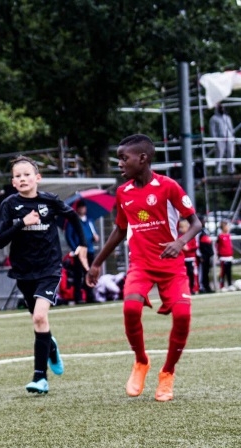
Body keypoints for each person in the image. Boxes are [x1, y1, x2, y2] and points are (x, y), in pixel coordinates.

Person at [86, 134, 202, 402]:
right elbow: (119, 230)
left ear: (143, 158)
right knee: (130, 308)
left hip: (171, 265)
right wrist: (97, 263)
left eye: (123, 158)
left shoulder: (169, 186)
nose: (119, 163)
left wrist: (180, 242)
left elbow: (196, 223)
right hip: (141, 264)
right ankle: (141, 361)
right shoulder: (123, 192)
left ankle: (167, 373)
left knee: (183, 315)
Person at [0, 155, 89, 395]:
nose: (22, 179)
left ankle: (40, 378)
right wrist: (21, 223)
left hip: (49, 268)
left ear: (37, 178)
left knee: (39, 317)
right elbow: (0, 240)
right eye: (17, 176)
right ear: (13, 182)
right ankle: (51, 347)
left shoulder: (49, 201)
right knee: (39, 322)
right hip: (23, 271)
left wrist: (82, 245)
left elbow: (73, 217)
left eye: (27, 174)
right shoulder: (9, 205)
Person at [65, 199, 99, 303]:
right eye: (80, 207)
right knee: (78, 274)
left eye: (84, 207)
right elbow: (69, 236)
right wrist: (75, 249)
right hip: (79, 252)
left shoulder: (89, 220)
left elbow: (93, 233)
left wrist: (95, 237)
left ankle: (90, 296)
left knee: (89, 273)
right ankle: (78, 297)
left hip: (90, 250)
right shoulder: (73, 221)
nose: (82, 209)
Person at [209, 103, 236, 175]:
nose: (222, 109)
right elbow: (212, 130)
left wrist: (233, 136)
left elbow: (230, 128)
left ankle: (231, 170)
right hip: (220, 138)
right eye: (220, 108)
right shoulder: (213, 118)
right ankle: (218, 170)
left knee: (230, 154)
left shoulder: (227, 118)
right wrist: (215, 139)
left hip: (229, 137)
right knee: (219, 155)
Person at [178, 219, 199, 295]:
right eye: (180, 227)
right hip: (183, 259)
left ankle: (193, 288)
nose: (181, 229)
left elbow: (195, 246)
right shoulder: (179, 237)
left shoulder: (191, 237)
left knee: (192, 273)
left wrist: (188, 248)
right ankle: (185, 289)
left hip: (190, 258)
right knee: (184, 274)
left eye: (183, 227)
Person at [197, 216, 214, 294]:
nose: (204, 222)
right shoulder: (198, 232)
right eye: (202, 221)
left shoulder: (205, 231)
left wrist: (211, 252)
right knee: (202, 272)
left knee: (207, 271)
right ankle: (201, 287)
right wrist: (200, 255)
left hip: (208, 255)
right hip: (203, 256)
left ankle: (207, 286)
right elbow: (197, 244)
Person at [216, 220, 234, 291]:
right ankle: (222, 286)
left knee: (229, 272)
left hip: (229, 256)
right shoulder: (220, 236)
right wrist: (219, 255)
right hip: (223, 257)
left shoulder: (229, 235)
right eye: (226, 226)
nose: (228, 228)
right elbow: (218, 246)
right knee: (223, 272)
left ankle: (230, 284)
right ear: (223, 227)